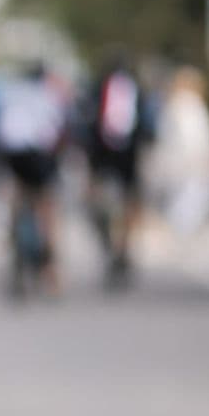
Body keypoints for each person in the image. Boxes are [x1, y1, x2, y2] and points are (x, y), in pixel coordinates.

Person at [0, 59, 70, 296]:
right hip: (40, 158)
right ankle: (50, 269)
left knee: (18, 201)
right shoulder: (50, 96)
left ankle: (16, 256)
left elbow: (1, 131)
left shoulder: (12, 95)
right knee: (47, 211)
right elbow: (58, 132)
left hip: (14, 157)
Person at [81, 51, 157, 287]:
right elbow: (149, 126)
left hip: (101, 157)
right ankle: (124, 246)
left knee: (95, 203)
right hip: (129, 157)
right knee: (131, 203)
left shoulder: (96, 88)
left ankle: (109, 241)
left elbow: (85, 123)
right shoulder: (138, 91)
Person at [151, 65, 209, 240]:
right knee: (188, 205)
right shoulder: (190, 105)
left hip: (176, 164)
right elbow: (195, 139)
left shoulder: (174, 104)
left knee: (178, 203)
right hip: (189, 164)